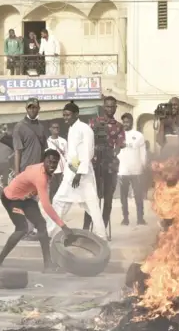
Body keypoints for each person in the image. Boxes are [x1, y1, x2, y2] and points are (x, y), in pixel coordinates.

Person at [0, 149, 73, 272]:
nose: (52, 165)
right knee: (22, 229)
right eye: (49, 162)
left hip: (27, 198)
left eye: (55, 163)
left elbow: (28, 168)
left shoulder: (42, 169)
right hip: (11, 199)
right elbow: (46, 205)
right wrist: (63, 226)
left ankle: (48, 265)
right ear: (44, 161)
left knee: (41, 224)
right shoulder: (40, 177)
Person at [45, 102, 107, 239]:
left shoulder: (85, 129)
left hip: (82, 175)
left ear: (76, 114)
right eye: (64, 115)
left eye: (68, 115)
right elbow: (73, 155)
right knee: (59, 200)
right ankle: (49, 232)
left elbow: (88, 152)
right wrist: (71, 171)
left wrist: (79, 173)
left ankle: (101, 236)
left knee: (92, 206)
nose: (65, 118)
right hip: (72, 171)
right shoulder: (72, 129)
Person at [83, 96, 125, 237]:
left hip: (109, 165)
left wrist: (113, 151)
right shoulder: (94, 122)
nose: (110, 109)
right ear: (103, 107)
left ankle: (102, 230)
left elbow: (119, 145)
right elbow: (86, 141)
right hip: (94, 164)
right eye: (107, 106)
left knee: (107, 199)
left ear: (115, 108)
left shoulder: (119, 126)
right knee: (91, 197)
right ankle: (85, 230)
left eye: (112, 106)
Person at [13, 98, 47, 239]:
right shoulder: (20, 127)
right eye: (30, 107)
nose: (33, 110)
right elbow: (17, 151)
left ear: (39, 108)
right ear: (26, 109)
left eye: (35, 107)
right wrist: (17, 173)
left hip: (38, 170)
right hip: (25, 170)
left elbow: (44, 150)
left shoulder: (40, 126)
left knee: (34, 201)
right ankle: (24, 230)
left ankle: (30, 230)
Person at [118, 113, 147, 226]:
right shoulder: (119, 136)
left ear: (132, 122)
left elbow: (143, 153)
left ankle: (140, 218)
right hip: (123, 171)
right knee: (123, 197)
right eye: (124, 122)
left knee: (138, 196)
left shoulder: (138, 135)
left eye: (128, 122)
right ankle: (125, 218)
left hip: (136, 171)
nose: (126, 124)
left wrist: (143, 166)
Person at [46, 120, 67, 200]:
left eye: (57, 127)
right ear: (50, 129)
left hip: (62, 170)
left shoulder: (63, 141)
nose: (56, 129)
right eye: (54, 127)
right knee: (53, 190)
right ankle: (52, 207)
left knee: (62, 189)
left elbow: (67, 155)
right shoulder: (47, 142)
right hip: (52, 170)